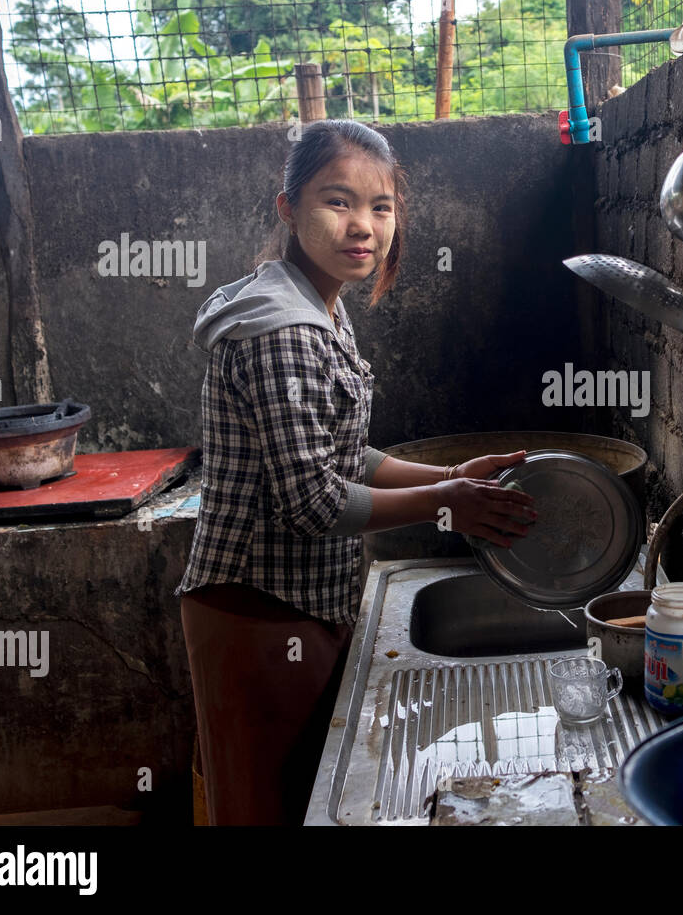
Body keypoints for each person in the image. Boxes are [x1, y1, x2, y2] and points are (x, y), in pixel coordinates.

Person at [175, 119, 536, 825]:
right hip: (256, 609)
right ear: (288, 208)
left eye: (381, 207)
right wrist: (446, 503)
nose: (362, 226)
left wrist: (449, 474)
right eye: (336, 202)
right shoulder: (283, 330)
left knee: (304, 797)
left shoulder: (319, 306)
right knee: (265, 810)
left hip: (301, 600)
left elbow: (342, 455)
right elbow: (313, 500)